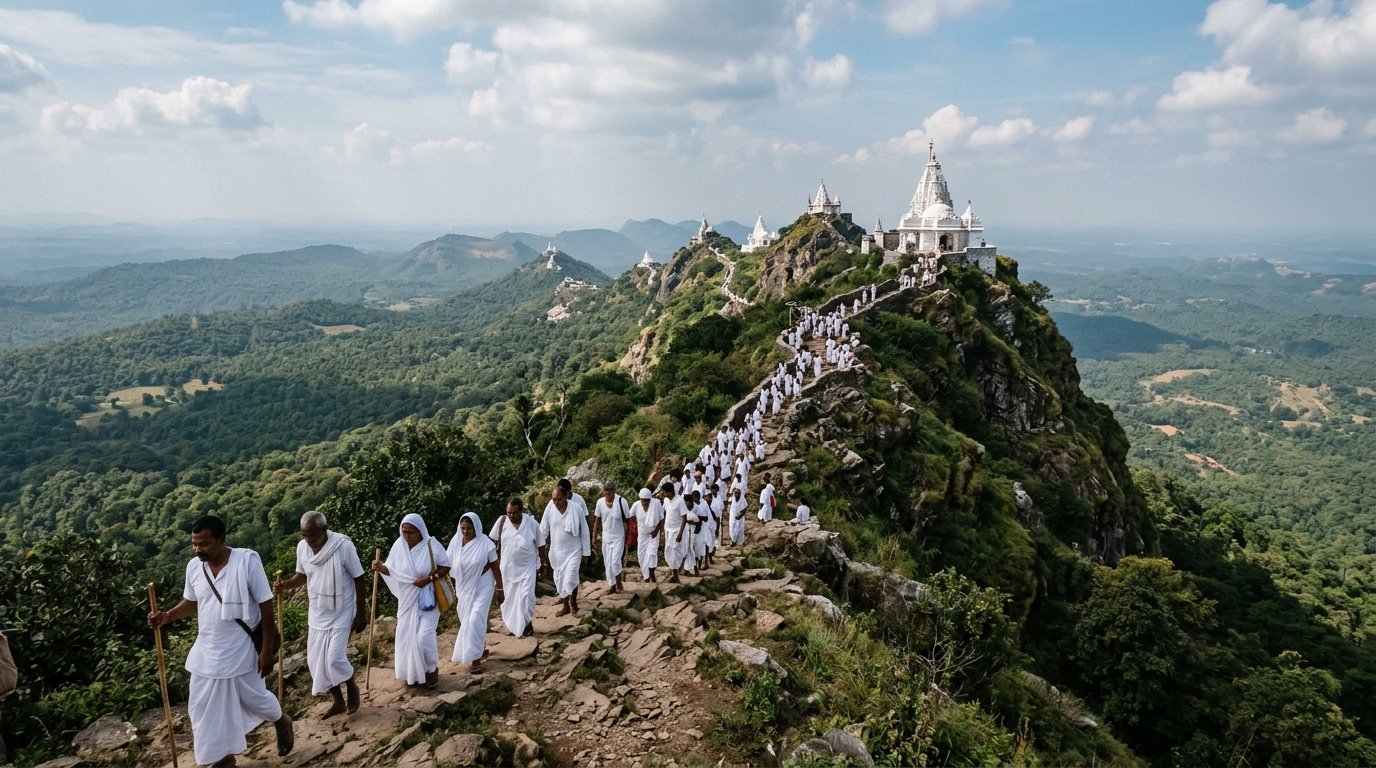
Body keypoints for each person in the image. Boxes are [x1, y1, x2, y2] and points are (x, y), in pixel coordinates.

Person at [147, 515, 293, 768]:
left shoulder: (247, 561)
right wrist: (167, 616)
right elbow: (193, 602)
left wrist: (267, 650)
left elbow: (266, 607)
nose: (197, 549)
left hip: (242, 648)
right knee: (200, 707)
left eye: (203, 544)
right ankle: (221, 758)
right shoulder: (194, 567)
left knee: (254, 697)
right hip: (207, 649)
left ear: (221, 539)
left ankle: (281, 720)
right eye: (194, 544)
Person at [274, 511, 365, 718]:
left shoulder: (343, 546)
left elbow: (359, 578)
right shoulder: (302, 548)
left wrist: (361, 614)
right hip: (317, 611)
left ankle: (351, 685)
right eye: (304, 535)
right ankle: (338, 702)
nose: (308, 540)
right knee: (317, 663)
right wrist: (285, 585)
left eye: (312, 535)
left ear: (324, 530)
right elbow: (302, 576)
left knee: (334, 658)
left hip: (342, 610)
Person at [372, 513, 450, 688]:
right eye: (404, 531)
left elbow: (446, 566)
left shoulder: (431, 545)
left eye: (411, 532)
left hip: (428, 598)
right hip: (407, 600)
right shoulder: (399, 546)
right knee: (406, 636)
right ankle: (414, 673)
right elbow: (391, 570)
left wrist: (429, 578)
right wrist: (380, 568)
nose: (407, 536)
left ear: (420, 531)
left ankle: (431, 669)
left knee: (424, 636)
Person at [446, 512, 503, 673]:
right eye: (462, 528)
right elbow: (446, 563)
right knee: (467, 619)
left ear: (476, 528)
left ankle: (475, 660)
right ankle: (479, 646)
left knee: (475, 619)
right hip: (463, 588)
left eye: (469, 528)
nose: (465, 531)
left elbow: (495, 567)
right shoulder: (455, 542)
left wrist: (500, 589)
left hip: (483, 585)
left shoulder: (485, 543)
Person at [492, 498, 543, 637]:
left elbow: (541, 544)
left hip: (528, 568)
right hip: (508, 569)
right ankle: (515, 626)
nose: (511, 516)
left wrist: (542, 563)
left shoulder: (531, 523)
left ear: (521, 511)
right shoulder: (501, 522)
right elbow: (492, 542)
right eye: (509, 512)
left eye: (515, 513)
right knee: (509, 600)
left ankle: (526, 623)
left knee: (526, 597)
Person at [540, 484, 591, 616]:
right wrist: (538, 548)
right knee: (560, 579)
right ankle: (565, 606)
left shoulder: (576, 508)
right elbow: (543, 529)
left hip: (574, 550)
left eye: (559, 499)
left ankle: (573, 604)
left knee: (571, 577)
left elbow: (584, 531)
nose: (556, 502)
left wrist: (586, 552)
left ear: (566, 497)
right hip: (556, 552)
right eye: (554, 499)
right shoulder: (550, 508)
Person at [591, 484, 632, 593]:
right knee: (608, 563)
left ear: (614, 491)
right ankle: (612, 585)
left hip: (619, 536)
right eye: (605, 491)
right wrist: (594, 537)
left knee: (615, 561)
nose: (607, 493)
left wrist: (628, 538)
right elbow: (597, 520)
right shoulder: (600, 503)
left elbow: (628, 521)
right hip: (606, 537)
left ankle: (618, 581)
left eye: (609, 491)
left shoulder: (621, 502)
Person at [632, 488, 664, 582]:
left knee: (651, 553)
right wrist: (636, 525)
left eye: (647, 500)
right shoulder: (636, 505)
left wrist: (657, 530)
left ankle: (651, 573)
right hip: (642, 534)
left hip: (653, 534)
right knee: (641, 555)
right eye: (643, 500)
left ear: (650, 499)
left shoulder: (656, 504)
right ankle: (646, 576)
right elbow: (631, 516)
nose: (644, 502)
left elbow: (661, 518)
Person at [660, 482, 689, 583]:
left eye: (665, 493)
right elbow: (665, 513)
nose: (664, 495)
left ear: (671, 491)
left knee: (675, 550)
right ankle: (674, 574)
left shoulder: (680, 501)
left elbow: (684, 518)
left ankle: (676, 573)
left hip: (676, 530)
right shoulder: (666, 500)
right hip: (668, 529)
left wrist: (680, 533)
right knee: (668, 551)